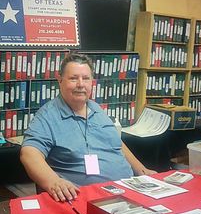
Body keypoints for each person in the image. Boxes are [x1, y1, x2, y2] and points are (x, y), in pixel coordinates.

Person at [20, 53, 156, 202]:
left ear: (92, 82)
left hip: (129, 189)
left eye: (85, 78)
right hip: (88, 198)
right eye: (73, 78)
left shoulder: (96, 108)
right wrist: (55, 182)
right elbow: (29, 154)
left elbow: (116, 143)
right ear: (60, 80)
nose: (80, 84)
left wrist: (142, 170)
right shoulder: (48, 115)